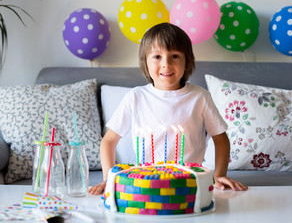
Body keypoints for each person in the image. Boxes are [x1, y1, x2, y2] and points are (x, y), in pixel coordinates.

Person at [88, 23, 248, 195]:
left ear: (187, 61)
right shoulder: (135, 97)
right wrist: (108, 179)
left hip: (189, 186)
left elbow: (221, 138)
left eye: (175, 56)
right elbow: (109, 141)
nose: (166, 64)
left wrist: (219, 175)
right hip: (146, 186)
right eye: (157, 56)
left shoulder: (199, 97)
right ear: (145, 62)